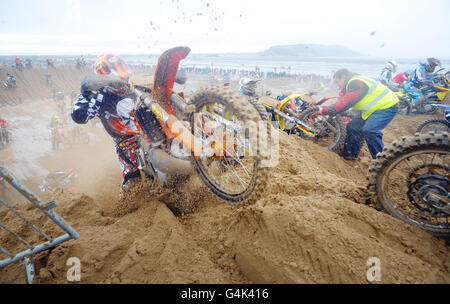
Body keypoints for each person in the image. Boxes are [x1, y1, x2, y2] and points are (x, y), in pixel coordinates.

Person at [71, 54, 140, 193]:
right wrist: (87, 94)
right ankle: (128, 204)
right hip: (127, 143)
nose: (124, 82)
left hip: (151, 133)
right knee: (133, 184)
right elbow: (78, 116)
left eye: (125, 77)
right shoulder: (99, 97)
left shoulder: (134, 90)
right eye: (120, 79)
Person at [316, 68, 399, 160]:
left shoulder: (355, 82)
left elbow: (347, 101)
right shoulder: (352, 83)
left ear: (343, 77)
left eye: (337, 82)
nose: (337, 85)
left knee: (369, 130)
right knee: (352, 127)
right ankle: (351, 156)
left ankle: (383, 161)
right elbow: (342, 102)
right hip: (372, 110)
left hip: (387, 106)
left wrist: (324, 110)